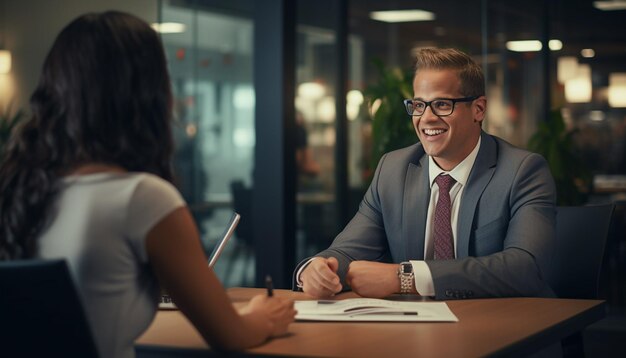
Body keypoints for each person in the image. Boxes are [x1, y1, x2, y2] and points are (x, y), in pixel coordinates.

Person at [0, 11, 295, 358]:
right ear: (151, 94)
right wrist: (264, 316)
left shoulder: (18, 188)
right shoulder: (141, 198)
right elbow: (230, 334)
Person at [293, 47, 557, 300]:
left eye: (442, 104)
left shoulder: (522, 171)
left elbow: (527, 267)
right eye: (419, 105)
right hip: (416, 332)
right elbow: (347, 251)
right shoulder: (393, 170)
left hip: (505, 330)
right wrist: (316, 268)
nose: (426, 118)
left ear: (478, 109)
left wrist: (405, 278)